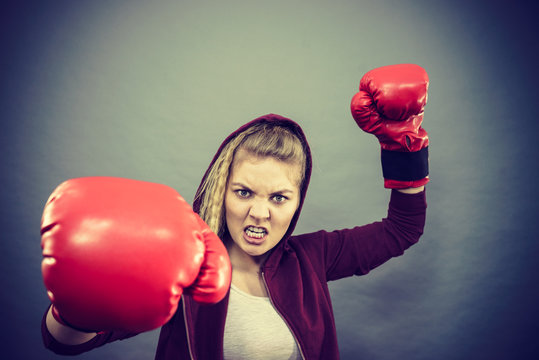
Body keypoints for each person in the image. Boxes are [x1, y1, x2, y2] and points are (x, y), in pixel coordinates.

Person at [41, 64, 429, 359]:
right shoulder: (186, 267)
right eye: (244, 192)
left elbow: (402, 229)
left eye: (279, 198)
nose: (259, 213)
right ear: (222, 190)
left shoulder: (313, 258)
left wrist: (403, 145)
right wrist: (74, 312)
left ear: (298, 202)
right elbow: (65, 343)